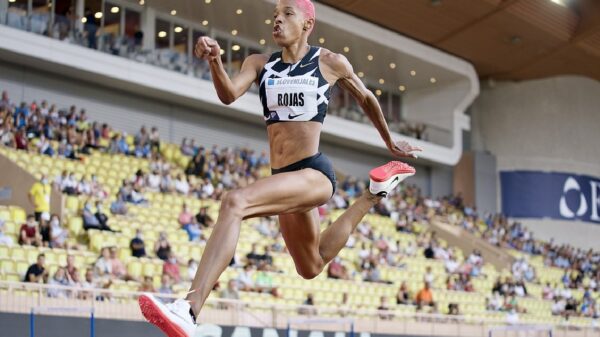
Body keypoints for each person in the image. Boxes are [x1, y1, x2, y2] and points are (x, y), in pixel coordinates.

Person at [138, 1, 420, 335]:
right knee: (311, 265)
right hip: (284, 177)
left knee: (234, 201)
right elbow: (228, 94)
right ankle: (373, 195)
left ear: (307, 24)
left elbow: (367, 98)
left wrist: (389, 140)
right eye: (274, 15)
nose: (277, 20)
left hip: (314, 173)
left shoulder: (329, 62)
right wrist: (215, 60)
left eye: (287, 14)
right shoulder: (260, 63)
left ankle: (188, 308)